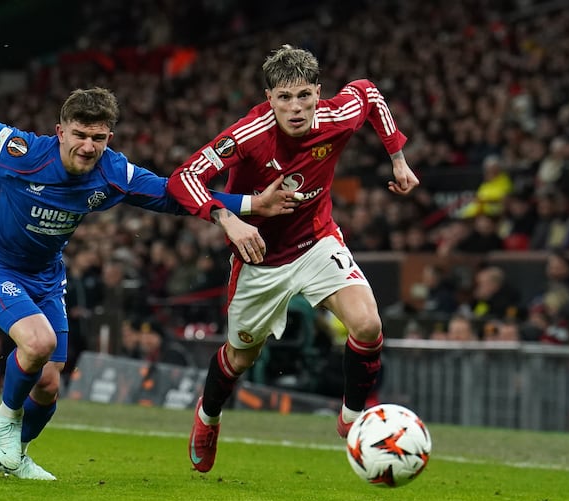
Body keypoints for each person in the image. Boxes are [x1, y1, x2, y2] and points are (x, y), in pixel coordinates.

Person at [0, 86, 301, 480]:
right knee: (36, 344)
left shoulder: (113, 172)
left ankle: (15, 458)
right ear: (60, 131)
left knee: (50, 386)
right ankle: (6, 419)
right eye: (78, 135)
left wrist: (248, 205)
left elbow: (172, 194)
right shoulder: (18, 152)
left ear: (108, 138)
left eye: (97, 138)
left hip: (45, 275)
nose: (87, 146)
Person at [165, 45, 419, 473]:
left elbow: (369, 93)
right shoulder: (249, 134)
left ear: (319, 93)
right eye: (284, 98)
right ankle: (208, 418)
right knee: (240, 358)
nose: (296, 107)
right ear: (270, 99)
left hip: (318, 242)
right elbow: (182, 178)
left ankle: (354, 421)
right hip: (259, 257)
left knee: (368, 324)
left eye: (304, 95)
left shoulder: (337, 116)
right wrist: (231, 219)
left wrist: (398, 158)